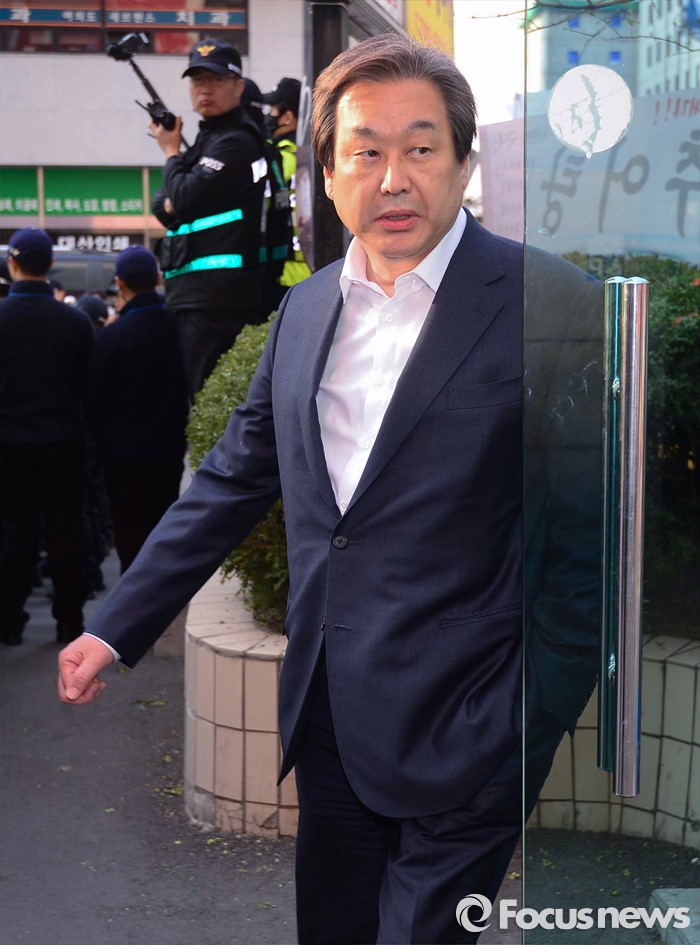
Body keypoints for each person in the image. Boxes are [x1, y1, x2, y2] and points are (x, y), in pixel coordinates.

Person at [58, 35, 601, 944]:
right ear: (330, 172)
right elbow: (230, 481)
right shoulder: (304, 309)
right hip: (329, 721)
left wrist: (529, 719)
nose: (393, 178)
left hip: (473, 727)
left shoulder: (549, 300)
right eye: (366, 151)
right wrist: (116, 624)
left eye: (421, 148)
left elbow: (585, 546)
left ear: (463, 163)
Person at [150, 38, 269, 399]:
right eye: (198, 80)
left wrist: (171, 152)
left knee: (208, 400)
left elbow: (182, 199)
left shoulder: (237, 141)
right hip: (199, 295)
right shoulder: (211, 138)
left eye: (216, 80)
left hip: (220, 300)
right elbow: (161, 205)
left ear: (238, 86)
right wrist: (177, 190)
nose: (205, 89)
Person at [0, 228, 93, 645]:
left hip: (8, 443)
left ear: (12, 264)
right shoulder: (75, 322)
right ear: (51, 264)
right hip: (63, 440)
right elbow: (89, 386)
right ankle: (69, 622)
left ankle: (8, 621)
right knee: (64, 532)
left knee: (14, 532)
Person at [86, 246, 189, 575]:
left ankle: (134, 595)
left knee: (129, 530)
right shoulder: (179, 329)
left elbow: (95, 401)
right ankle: (164, 590)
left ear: (119, 282)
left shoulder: (112, 336)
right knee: (164, 524)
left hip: (122, 455)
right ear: (158, 279)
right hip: (168, 447)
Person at [261, 77, 312, 309]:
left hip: (283, 276)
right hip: (313, 273)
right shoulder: (314, 159)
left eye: (272, 110)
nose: (268, 116)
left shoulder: (279, 160)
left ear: (288, 117)